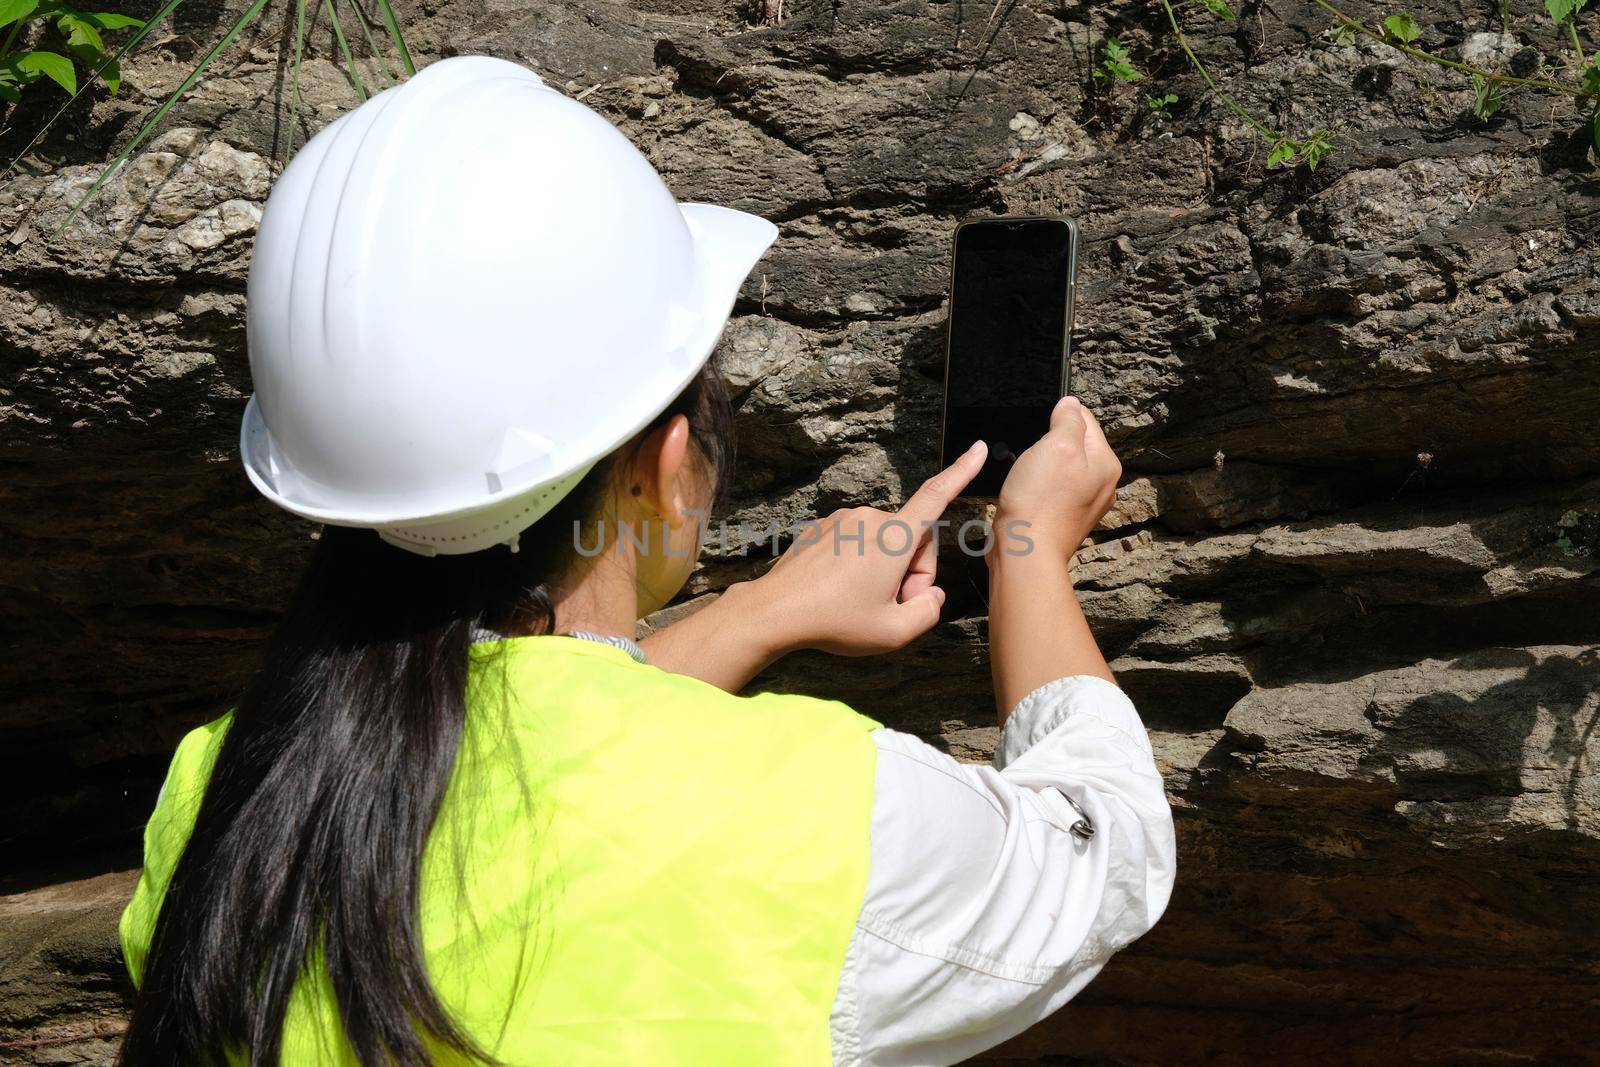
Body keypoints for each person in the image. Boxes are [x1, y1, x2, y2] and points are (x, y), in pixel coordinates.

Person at [117, 56, 1175, 1067]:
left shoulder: (222, 791)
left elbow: (511, 775)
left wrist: (760, 610)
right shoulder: (810, 807)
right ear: (665, 464)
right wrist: (1031, 544)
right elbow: (1107, 849)